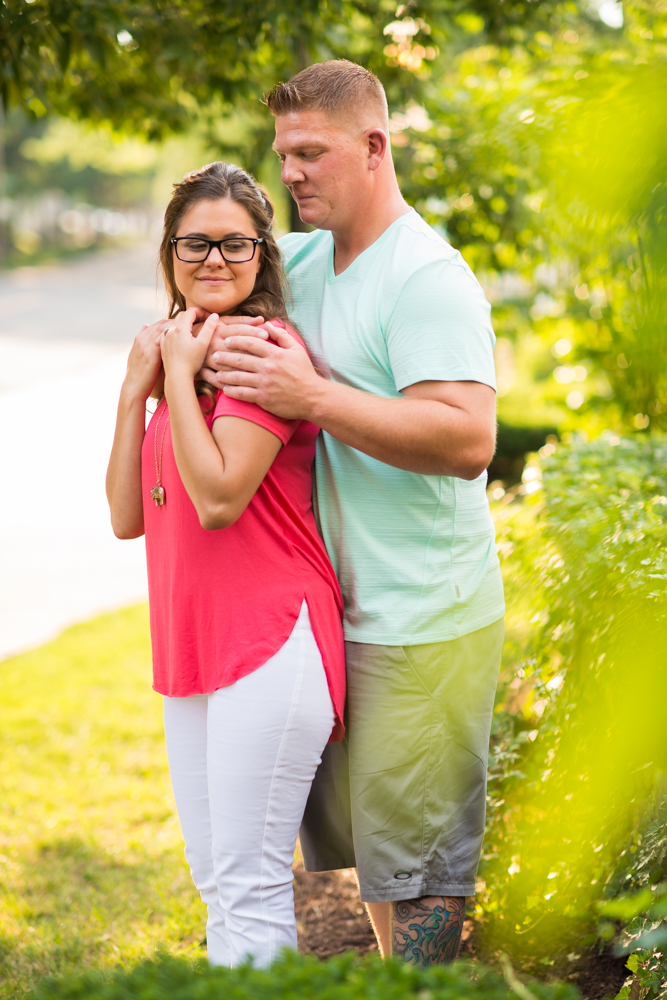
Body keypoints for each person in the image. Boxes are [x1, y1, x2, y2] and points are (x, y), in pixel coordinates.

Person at [198, 60, 505, 966]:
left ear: (374, 147)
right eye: (282, 154)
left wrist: (312, 396)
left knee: (418, 872)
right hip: (334, 616)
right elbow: (207, 278)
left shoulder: (426, 279)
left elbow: (467, 439)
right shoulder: (299, 261)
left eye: (310, 153)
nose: (288, 173)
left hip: (422, 621)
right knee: (380, 861)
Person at [105, 161, 346, 969]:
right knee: (217, 879)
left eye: (234, 244)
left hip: (268, 643)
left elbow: (215, 500)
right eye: (195, 244)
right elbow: (125, 516)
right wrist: (133, 389)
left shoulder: (262, 352)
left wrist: (172, 373)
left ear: (261, 254)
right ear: (170, 252)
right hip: (196, 650)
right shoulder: (183, 351)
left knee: (247, 883)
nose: (214, 261)